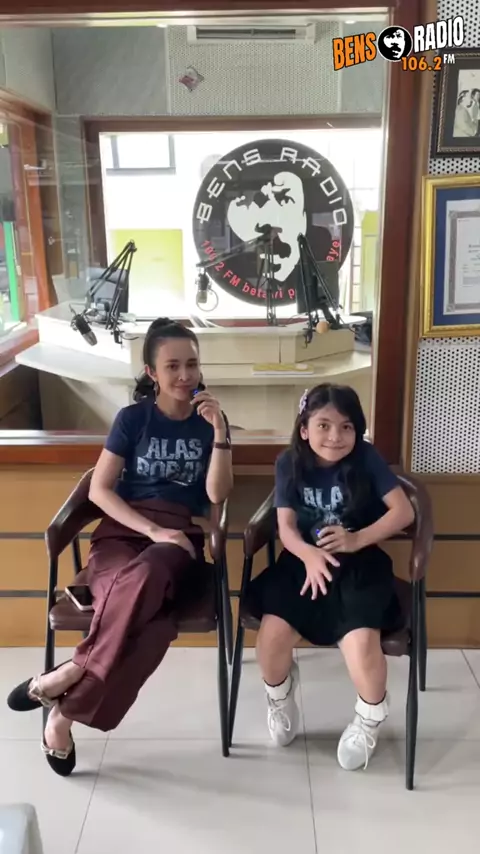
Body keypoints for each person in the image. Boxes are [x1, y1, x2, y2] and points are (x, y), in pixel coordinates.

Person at [7, 317, 233, 776]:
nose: (185, 375)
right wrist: (150, 531)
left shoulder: (209, 423)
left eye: (192, 364)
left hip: (178, 538)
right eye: (172, 366)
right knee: (153, 626)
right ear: (152, 372)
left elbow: (217, 494)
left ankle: (68, 689)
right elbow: (100, 490)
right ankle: (66, 703)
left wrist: (221, 434)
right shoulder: (133, 419)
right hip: (122, 531)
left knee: (148, 575)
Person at [248, 383, 414, 771]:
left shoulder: (367, 458)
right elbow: (286, 527)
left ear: (357, 430)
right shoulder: (288, 462)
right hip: (302, 562)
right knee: (271, 639)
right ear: (304, 429)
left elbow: (403, 512)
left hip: (359, 564)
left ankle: (369, 718)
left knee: (362, 645)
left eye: (346, 426)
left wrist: (356, 539)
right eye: (323, 425)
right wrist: (308, 555)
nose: (335, 436)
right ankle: (280, 696)